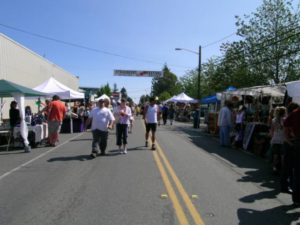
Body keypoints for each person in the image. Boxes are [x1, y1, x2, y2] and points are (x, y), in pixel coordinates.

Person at [284, 104, 300, 206]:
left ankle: (297, 199)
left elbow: (286, 125)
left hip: (298, 142)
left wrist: (289, 138)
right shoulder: (296, 113)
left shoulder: (295, 113)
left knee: (298, 172)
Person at [269, 106, 286, 174]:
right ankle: (283, 169)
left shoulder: (274, 119)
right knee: (282, 155)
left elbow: (272, 130)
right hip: (283, 139)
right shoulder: (285, 119)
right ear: (284, 112)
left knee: (275, 155)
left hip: (275, 139)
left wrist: (271, 138)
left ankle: (274, 168)